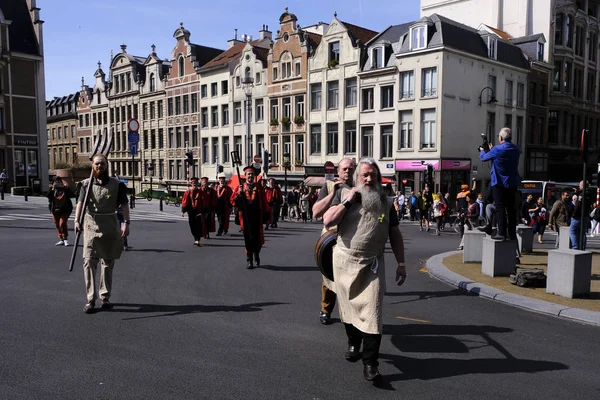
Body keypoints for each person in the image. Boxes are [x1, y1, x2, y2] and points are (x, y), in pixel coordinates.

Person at [322, 157, 406, 382]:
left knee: (373, 313)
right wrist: (347, 201)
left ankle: (370, 364)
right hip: (344, 263)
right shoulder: (345, 196)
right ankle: (353, 342)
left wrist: (401, 264)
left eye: (373, 175)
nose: (369, 179)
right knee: (347, 309)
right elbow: (326, 220)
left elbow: (395, 234)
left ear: (378, 179)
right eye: (364, 175)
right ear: (357, 177)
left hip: (372, 266)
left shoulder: (386, 203)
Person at [74, 154, 129, 314]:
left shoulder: (117, 184)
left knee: (108, 262)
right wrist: (76, 221)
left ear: (107, 165)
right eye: (97, 164)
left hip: (110, 225)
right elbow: (80, 203)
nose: (100, 166)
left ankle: (105, 297)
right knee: (89, 261)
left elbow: (124, 204)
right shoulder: (85, 184)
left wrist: (126, 222)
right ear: (93, 165)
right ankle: (90, 299)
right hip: (91, 224)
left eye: (102, 164)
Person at [312, 157, 356, 325]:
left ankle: (351, 313)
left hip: (352, 237)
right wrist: (332, 194)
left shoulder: (359, 187)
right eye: (344, 168)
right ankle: (326, 309)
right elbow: (316, 212)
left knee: (352, 277)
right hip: (331, 237)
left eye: (351, 168)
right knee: (329, 277)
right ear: (338, 171)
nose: (347, 171)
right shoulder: (329, 186)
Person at [479, 127, 521, 241]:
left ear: (501, 137)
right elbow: (503, 160)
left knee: (500, 207)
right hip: (512, 182)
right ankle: (512, 232)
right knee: (511, 209)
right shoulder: (516, 149)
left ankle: (501, 232)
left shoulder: (497, 149)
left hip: (499, 182)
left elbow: (483, 158)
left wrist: (483, 149)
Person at [231, 166, 269, 269]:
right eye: (248, 174)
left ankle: (256, 254)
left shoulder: (259, 187)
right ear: (245, 176)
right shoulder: (241, 187)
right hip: (245, 217)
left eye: (252, 174)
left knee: (257, 238)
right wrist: (239, 194)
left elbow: (264, 201)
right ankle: (249, 259)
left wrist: (267, 215)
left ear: (254, 176)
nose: (250, 176)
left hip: (256, 216)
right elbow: (233, 202)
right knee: (248, 239)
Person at [46, 176, 74, 246]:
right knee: (57, 225)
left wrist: (67, 188)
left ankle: (65, 239)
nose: (57, 183)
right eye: (56, 182)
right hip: (55, 210)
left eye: (59, 182)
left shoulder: (65, 189)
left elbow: (73, 195)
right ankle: (61, 239)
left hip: (65, 209)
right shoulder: (53, 190)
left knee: (62, 224)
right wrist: (52, 189)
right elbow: (48, 197)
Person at [181, 177, 204, 246]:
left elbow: (204, 202)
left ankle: (197, 239)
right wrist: (183, 211)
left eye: (196, 183)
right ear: (191, 184)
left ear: (198, 184)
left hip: (199, 211)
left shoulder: (201, 192)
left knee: (198, 226)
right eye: (193, 183)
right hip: (190, 211)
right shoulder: (188, 192)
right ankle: (196, 238)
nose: (194, 184)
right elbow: (184, 202)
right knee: (192, 226)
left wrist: (205, 211)